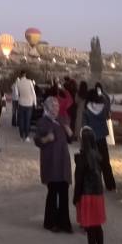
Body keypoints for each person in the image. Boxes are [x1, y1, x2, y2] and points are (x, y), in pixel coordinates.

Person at [34, 96, 73, 233]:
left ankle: (64, 223)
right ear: (47, 108)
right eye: (53, 106)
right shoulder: (42, 122)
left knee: (64, 192)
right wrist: (46, 139)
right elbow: (37, 141)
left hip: (63, 161)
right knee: (53, 192)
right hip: (51, 161)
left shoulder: (61, 120)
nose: (56, 109)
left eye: (57, 106)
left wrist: (69, 131)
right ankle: (50, 222)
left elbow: (70, 139)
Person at [74, 126, 106, 244]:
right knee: (97, 226)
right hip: (98, 195)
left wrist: (75, 197)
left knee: (90, 228)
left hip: (86, 195)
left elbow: (79, 180)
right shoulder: (98, 156)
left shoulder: (82, 158)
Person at [83, 87, 116, 191]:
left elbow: (84, 126)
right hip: (102, 138)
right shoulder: (103, 108)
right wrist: (102, 94)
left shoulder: (86, 110)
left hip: (91, 139)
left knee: (93, 162)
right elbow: (107, 101)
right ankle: (110, 185)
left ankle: (96, 185)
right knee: (105, 162)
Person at [15, 69, 37, 141]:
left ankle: (21, 136)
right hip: (29, 104)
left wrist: (19, 99)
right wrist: (35, 103)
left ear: (20, 75)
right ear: (25, 75)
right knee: (27, 120)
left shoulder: (18, 83)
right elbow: (33, 93)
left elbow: (16, 94)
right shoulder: (30, 82)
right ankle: (26, 136)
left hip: (21, 103)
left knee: (21, 120)